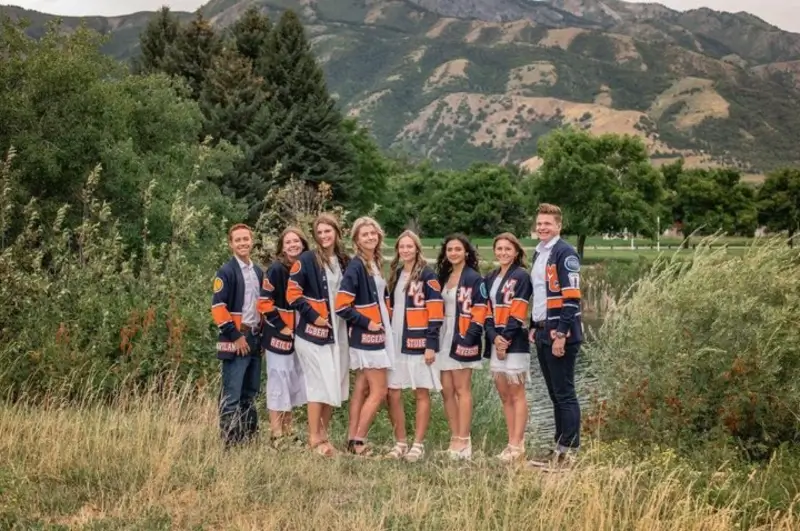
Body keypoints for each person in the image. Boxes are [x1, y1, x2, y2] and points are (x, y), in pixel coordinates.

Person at [287, 213, 350, 457]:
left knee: (332, 383)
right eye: (320, 232)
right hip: (313, 333)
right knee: (318, 384)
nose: (324, 236)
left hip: (338, 331)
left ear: (336, 232)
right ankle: (314, 438)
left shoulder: (343, 260)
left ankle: (324, 435)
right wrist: (314, 316)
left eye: (328, 231)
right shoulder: (307, 259)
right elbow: (293, 294)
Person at [526, 203, 583, 471]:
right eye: (539, 224)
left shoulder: (565, 252)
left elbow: (571, 298)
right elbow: (541, 294)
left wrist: (561, 334)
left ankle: (570, 452)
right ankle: (559, 448)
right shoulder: (540, 254)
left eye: (547, 224)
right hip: (543, 330)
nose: (542, 228)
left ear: (559, 226)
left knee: (565, 392)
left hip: (561, 332)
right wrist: (534, 326)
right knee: (553, 393)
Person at [335, 216, 394, 456]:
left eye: (373, 233)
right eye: (364, 235)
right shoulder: (356, 266)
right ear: (357, 240)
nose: (370, 237)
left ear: (378, 236)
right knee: (379, 391)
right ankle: (359, 440)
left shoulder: (374, 262)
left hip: (379, 330)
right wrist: (367, 323)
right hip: (368, 335)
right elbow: (341, 306)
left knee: (361, 387)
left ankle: (352, 438)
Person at [385, 230, 444, 462]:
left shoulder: (428, 276)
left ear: (417, 248)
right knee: (393, 391)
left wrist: (431, 344)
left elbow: (436, 312)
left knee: (421, 391)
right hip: (396, 338)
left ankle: (417, 444)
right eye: (402, 247)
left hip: (419, 341)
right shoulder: (397, 273)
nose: (405, 250)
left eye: (410, 246)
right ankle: (400, 441)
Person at [434, 234, 488, 460]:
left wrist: (470, 336)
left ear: (466, 252)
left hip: (463, 334)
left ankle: (465, 441)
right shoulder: (444, 276)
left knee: (461, 388)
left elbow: (481, 308)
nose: (453, 253)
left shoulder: (474, 278)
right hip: (443, 334)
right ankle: (455, 437)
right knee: (446, 389)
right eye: (449, 249)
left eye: (457, 249)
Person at [211, 223, 264, 448]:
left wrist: (261, 336)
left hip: (254, 337)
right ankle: (229, 443)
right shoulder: (226, 272)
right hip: (236, 339)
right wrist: (235, 336)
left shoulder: (258, 271)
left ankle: (247, 438)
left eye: (246, 239)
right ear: (231, 244)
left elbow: (261, 306)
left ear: (252, 241)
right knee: (232, 393)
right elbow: (218, 308)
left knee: (249, 392)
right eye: (238, 240)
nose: (243, 243)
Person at [258, 226, 310, 446]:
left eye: (296, 241)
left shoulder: (307, 268)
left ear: (303, 243)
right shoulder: (277, 270)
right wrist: (281, 326)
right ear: (282, 247)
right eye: (288, 242)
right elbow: (263, 303)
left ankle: (289, 431)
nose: (292, 245)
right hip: (279, 334)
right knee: (278, 379)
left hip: (299, 335)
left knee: (292, 380)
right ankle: (276, 433)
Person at [484, 232, 533, 463]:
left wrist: (505, 340)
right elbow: (485, 312)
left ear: (516, 252)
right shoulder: (490, 277)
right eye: (499, 248)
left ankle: (517, 445)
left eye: (507, 249)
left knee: (517, 393)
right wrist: (494, 338)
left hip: (515, 341)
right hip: (496, 342)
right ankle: (510, 442)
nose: (503, 252)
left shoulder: (521, 276)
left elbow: (518, 311)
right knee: (504, 395)